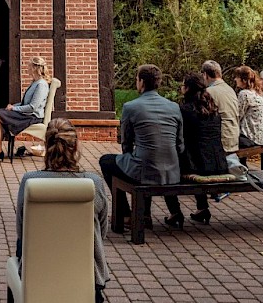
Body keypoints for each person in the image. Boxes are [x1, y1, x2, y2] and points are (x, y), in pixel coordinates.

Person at [16, 118, 110, 303]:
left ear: (46, 145)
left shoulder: (30, 181)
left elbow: (22, 229)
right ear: (75, 145)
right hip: (85, 272)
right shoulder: (94, 183)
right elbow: (102, 230)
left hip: (39, 270)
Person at [98, 64, 186, 229]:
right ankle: (144, 214)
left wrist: (130, 156)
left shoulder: (131, 107)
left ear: (142, 82)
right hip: (172, 171)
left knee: (107, 161)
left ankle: (126, 214)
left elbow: (126, 144)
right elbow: (180, 145)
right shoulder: (174, 107)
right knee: (143, 160)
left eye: (137, 79)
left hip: (145, 169)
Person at [178, 72, 230, 226]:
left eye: (182, 85)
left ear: (187, 88)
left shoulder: (184, 110)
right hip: (219, 164)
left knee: (169, 164)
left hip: (196, 165)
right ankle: (202, 208)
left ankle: (174, 211)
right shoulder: (213, 109)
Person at [0, 55, 51, 162]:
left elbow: (32, 107)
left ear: (35, 68)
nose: (27, 68)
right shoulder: (35, 82)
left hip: (31, 117)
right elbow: (25, 103)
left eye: (29, 66)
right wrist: (14, 106)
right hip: (26, 115)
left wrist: (14, 109)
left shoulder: (41, 85)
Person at [202, 60, 241, 170]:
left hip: (221, 139)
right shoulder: (230, 89)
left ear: (205, 75)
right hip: (233, 136)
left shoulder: (209, 92)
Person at [233, 66, 263, 147]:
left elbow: (237, 115)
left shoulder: (245, 94)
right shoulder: (259, 94)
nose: (235, 79)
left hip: (249, 137)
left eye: (237, 77)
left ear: (244, 80)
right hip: (262, 138)